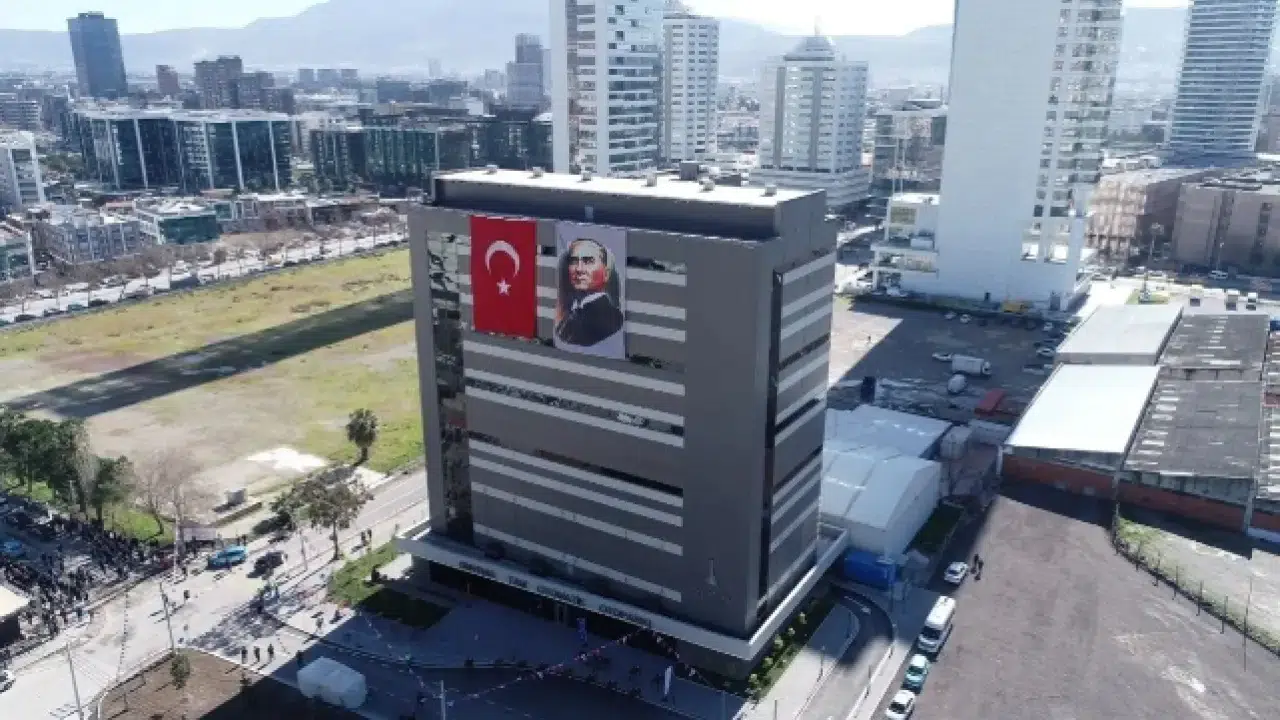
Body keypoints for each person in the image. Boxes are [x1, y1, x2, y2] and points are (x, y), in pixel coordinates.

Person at [555, 238, 624, 347]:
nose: (579, 269)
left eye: (588, 261)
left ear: (606, 274)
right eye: (574, 261)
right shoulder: (570, 316)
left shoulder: (611, 318)